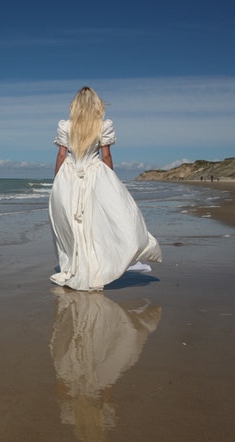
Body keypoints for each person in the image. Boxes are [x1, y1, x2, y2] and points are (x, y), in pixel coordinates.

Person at [49, 87, 162, 291]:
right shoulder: (103, 126)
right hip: (94, 174)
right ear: (97, 104)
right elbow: (106, 155)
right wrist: (111, 181)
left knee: (74, 224)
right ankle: (96, 266)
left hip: (69, 175)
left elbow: (61, 155)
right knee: (95, 223)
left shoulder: (66, 126)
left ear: (75, 105)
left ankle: (75, 268)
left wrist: (57, 181)